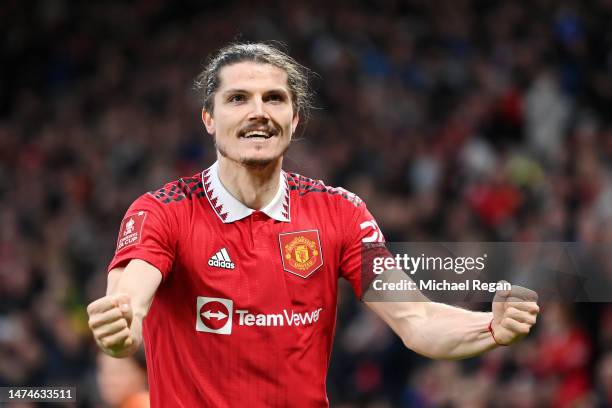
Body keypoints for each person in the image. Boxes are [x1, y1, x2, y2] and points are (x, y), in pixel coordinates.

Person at [86, 42, 540, 407]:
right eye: (238, 98)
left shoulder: (339, 212)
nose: (258, 111)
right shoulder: (162, 211)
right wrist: (121, 326)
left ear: (294, 119)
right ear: (209, 118)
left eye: (274, 99)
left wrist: (490, 328)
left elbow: (417, 319)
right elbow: (129, 300)